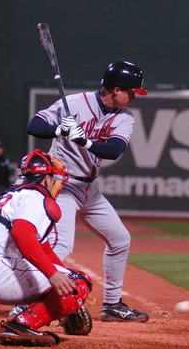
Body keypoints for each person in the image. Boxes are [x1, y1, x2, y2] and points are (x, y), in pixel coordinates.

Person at [25, 61, 149, 322]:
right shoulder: (74, 104)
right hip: (63, 185)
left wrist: (85, 140)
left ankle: (112, 305)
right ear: (116, 90)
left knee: (120, 239)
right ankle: (29, 302)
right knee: (61, 245)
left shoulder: (124, 117)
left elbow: (114, 149)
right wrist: (59, 129)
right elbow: (34, 126)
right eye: (132, 91)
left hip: (89, 189)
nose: (135, 96)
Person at [0, 149, 93, 346]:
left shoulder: (9, 196)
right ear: (46, 179)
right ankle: (21, 326)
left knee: (13, 263)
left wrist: (62, 280)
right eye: (55, 178)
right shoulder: (35, 197)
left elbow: (44, 248)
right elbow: (22, 234)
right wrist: (55, 276)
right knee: (80, 282)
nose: (57, 183)